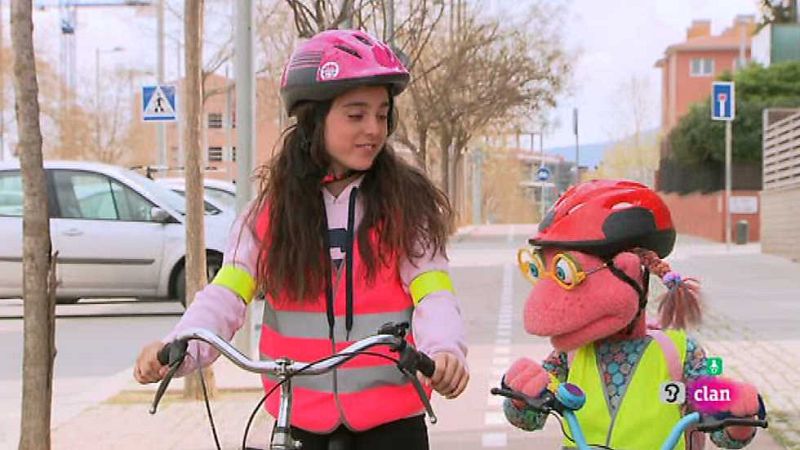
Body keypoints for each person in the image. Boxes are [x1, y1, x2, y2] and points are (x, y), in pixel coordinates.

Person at [134, 29, 469, 450]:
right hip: (299, 419)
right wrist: (180, 346)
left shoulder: (407, 207)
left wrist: (444, 349)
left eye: (382, 115)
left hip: (392, 423)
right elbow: (226, 294)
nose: (373, 129)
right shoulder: (269, 215)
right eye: (356, 115)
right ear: (314, 120)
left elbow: (434, 292)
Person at [502, 179, 763, 449]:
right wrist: (522, 397)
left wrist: (736, 418)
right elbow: (530, 417)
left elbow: (715, 415)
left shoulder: (681, 352)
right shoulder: (569, 355)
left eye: (566, 273)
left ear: (632, 272)